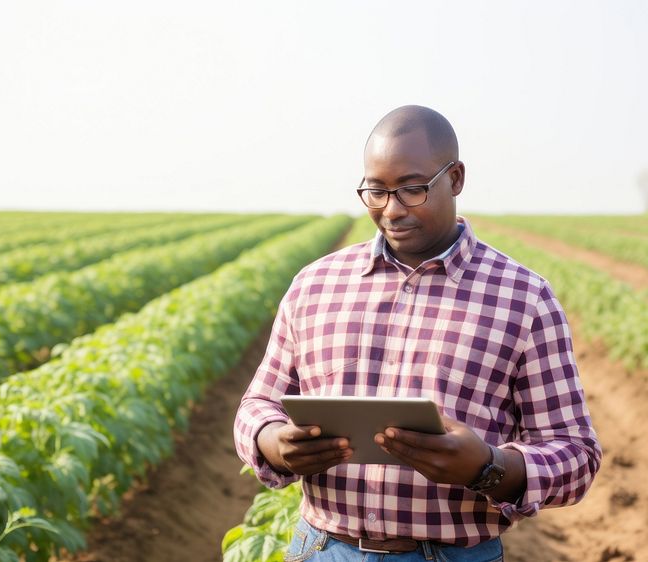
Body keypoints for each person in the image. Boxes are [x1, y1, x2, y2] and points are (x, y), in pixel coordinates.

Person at [233, 105, 601, 561]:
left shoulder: (524, 297)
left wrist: (488, 467)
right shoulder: (315, 284)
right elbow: (257, 404)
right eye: (376, 191)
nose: (392, 210)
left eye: (412, 189)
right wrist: (275, 443)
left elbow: (576, 454)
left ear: (457, 179)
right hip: (324, 548)